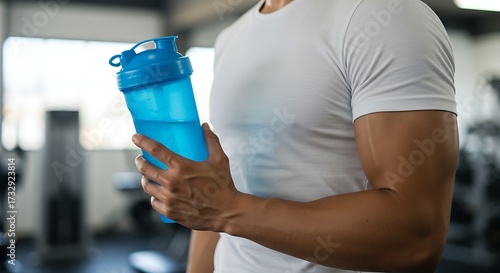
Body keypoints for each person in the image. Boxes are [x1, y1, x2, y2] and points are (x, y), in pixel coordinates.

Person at [133, 0, 459, 272]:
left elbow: (416, 235)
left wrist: (227, 210)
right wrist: (217, 211)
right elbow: (220, 191)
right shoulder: (231, 37)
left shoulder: (386, 15)